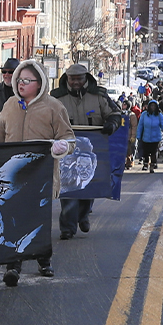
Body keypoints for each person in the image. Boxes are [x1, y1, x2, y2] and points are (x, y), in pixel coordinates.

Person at [0, 59, 75, 287]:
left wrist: (62, 146)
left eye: (27, 80)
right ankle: (13, 266)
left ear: (40, 83)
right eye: (19, 80)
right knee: (14, 220)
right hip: (14, 178)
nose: (21, 84)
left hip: (41, 176)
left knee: (38, 221)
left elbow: (69, 137)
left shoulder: (54, 107)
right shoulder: (9, 105)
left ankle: (43, 260)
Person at [48, 63, 121, 240]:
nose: (76, 82)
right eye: (72, 79)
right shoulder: (56, 98)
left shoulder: (99, 96)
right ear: (67, 79)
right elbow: (47, 119)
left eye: (79, 79)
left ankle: (83, 215)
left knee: (89, 187)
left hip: (92, 148)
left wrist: (111, 124)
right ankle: (67, 228)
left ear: (86, 78)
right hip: (67, 148)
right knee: (69, 188)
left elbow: (115, 114)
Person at [136, 99, 163, 174]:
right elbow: (140, 126)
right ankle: (146, 163)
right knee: (146, 152)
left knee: (154, 152)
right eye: (151, 106)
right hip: (146, 137)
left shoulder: (159, 115)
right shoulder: (144, 114)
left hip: (156, 138)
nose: (152, 107)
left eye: (154, 106)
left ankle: (152, 165)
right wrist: (138, 136)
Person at [122, 100, 139, 169]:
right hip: (122, 135)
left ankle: (129, 162)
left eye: (125, 105)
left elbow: (134, 126)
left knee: (129, 150)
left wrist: (133, 136)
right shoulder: (121, 114)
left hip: (129, 135)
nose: (123, 106)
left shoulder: (132, 115)